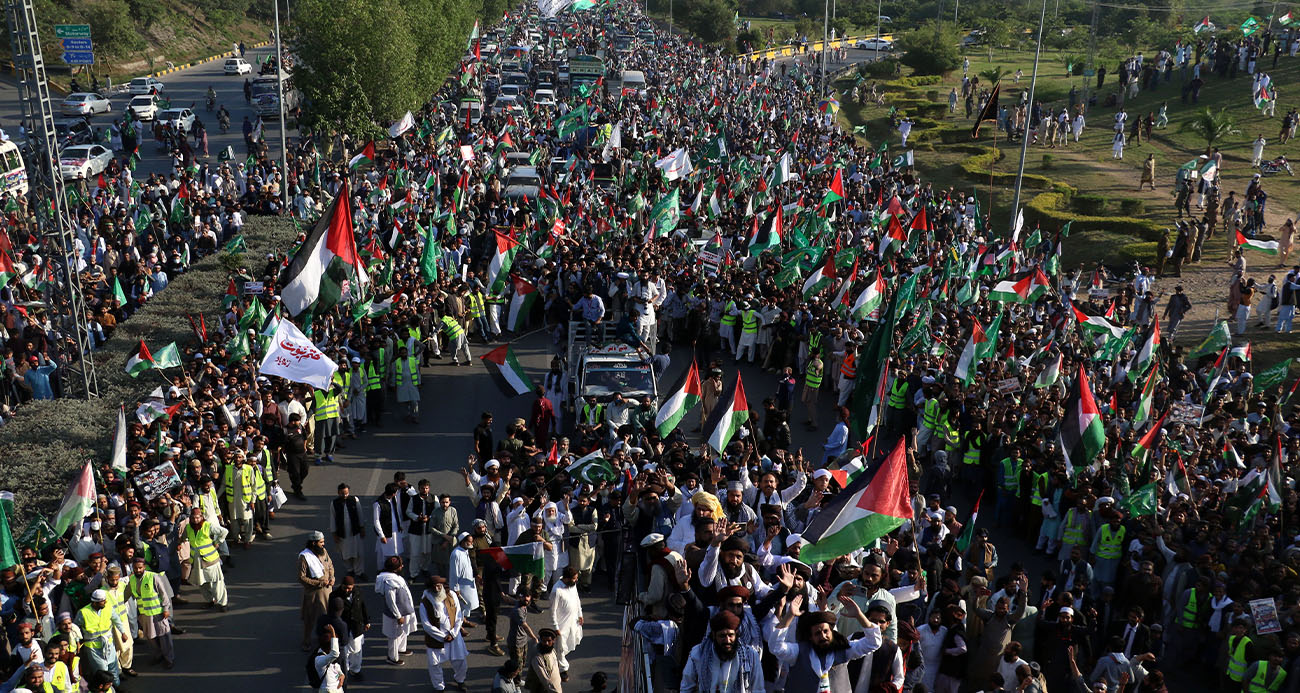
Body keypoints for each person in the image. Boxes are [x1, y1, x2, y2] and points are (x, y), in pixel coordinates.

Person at [681, 610, 765, 693]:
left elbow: (758, 689)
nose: (727, 640)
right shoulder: (699, 653)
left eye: (730, 635)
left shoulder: (751, 655)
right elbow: (686, 687)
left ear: (736, 633)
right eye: (722, 636)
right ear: (714, 635)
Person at [419, 576, 470, 691]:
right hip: (436, 638)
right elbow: (427, 626)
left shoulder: (451, 595)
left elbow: (458, 616)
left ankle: (460, 680)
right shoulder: (425, 602)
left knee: (461, 661)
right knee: (435, 665)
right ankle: (439, 687)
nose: (437, 589)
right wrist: (443, 637)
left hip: (454, 636)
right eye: (434, 587)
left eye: (439, 586)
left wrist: (453, 633)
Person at [126, 555, 174, 669]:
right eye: (136, 568)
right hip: (144, 614)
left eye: (140, 568)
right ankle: (158, 655)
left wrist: (166, 609)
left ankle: (169, 658)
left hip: (158, 612)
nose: (138, 570)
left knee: (164, 636)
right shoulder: (132, 579)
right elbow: (127, 594)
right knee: (150, 637)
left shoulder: (153, 577)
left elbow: (164, 594)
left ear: (144, 567)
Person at [180, 506, 229, 611]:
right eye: (193, 518)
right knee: (202, 583)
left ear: (202, 517)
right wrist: (180, 542)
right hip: (197, 561)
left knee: (217, 582)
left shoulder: (207, 526)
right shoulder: (188, 528)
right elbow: (183, 538)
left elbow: (224, 532)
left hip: (210, 560)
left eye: (197, 518)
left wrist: (217, 543)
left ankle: (223, 603)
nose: (195, 520)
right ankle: (209, 600)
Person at [376, 555, 416, 665]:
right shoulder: (390, 582)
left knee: (403, 631)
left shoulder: (396, 578)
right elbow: (391, 601)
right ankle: (392, 657)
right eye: (400, 565)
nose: (402, 566)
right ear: (395, 569)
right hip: (396, 614)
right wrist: (398, 615)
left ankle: (401, 649)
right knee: (394, 635)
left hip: (405, 611)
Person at [299, 530, 336, 651]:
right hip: (313, 592)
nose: (323, 544)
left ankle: (326, 640)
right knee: (310, 618)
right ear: (314, 543)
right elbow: (302, 578)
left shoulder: (324, 552)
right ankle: (306, 641)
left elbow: (330, 565)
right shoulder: (305, 557)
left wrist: (332, 578)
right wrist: (319, 583)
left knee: (327, 617)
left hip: (327, 590)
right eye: (321, 542)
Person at [329, 576, 369, 681]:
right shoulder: (334, 596)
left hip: (356, 627)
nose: (347, 590)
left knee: (357, 650)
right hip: (343, 628)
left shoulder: (358, 592)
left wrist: (367, 621)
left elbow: (363, 607)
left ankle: (355, 670)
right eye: (345, 588)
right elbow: (331, 614)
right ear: (342, 585)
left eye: (350, 588)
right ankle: (343, 672)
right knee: (343, 652)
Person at [549, 566, 584, 682]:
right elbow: (552, 611)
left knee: (569, 643)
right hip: (562, 625)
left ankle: (552, 661)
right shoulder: (556, 591)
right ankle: (563, 670)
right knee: (561, 648)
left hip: (573, 622)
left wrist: (580, 614)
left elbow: (577, 600)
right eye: (574, 578)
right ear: (567, 578)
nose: (576, 580)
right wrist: (555, 627)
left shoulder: (572, 586)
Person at [331, 483, 366, 579]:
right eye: (342, 493)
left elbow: (360, 514)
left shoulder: (354, 500)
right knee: (345, 554)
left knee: (358, 553)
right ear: (338, 493)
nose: (345, 495)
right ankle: (350, 570)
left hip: (355, 531)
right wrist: (334, 534)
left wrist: (362, 527)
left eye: (346, 493)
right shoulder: (334, 503)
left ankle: (359, 572)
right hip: (342, 533)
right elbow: (332, 518)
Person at [527, 627, 564, 693]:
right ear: (541, 640)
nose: (546, 643)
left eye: (549, 641)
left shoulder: (552, 650)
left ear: (553, 641)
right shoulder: (537, 656)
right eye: (544, 641)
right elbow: (544, 678)